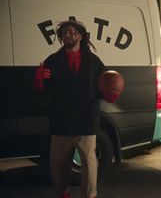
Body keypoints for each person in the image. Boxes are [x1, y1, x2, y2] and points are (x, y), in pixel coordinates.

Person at [34, 20, 117, 198]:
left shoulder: (94, 62)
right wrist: (39, 81)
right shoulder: (52, 61)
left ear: (80, 36)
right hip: (61, 121)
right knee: (58, 165)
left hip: (86, 120)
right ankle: (62, 194)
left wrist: (112, 92)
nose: (67, 35)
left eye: (71, 32)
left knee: (89, 162)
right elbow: (42, 91)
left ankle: (90, 195)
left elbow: (105, 89)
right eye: (64, 33)